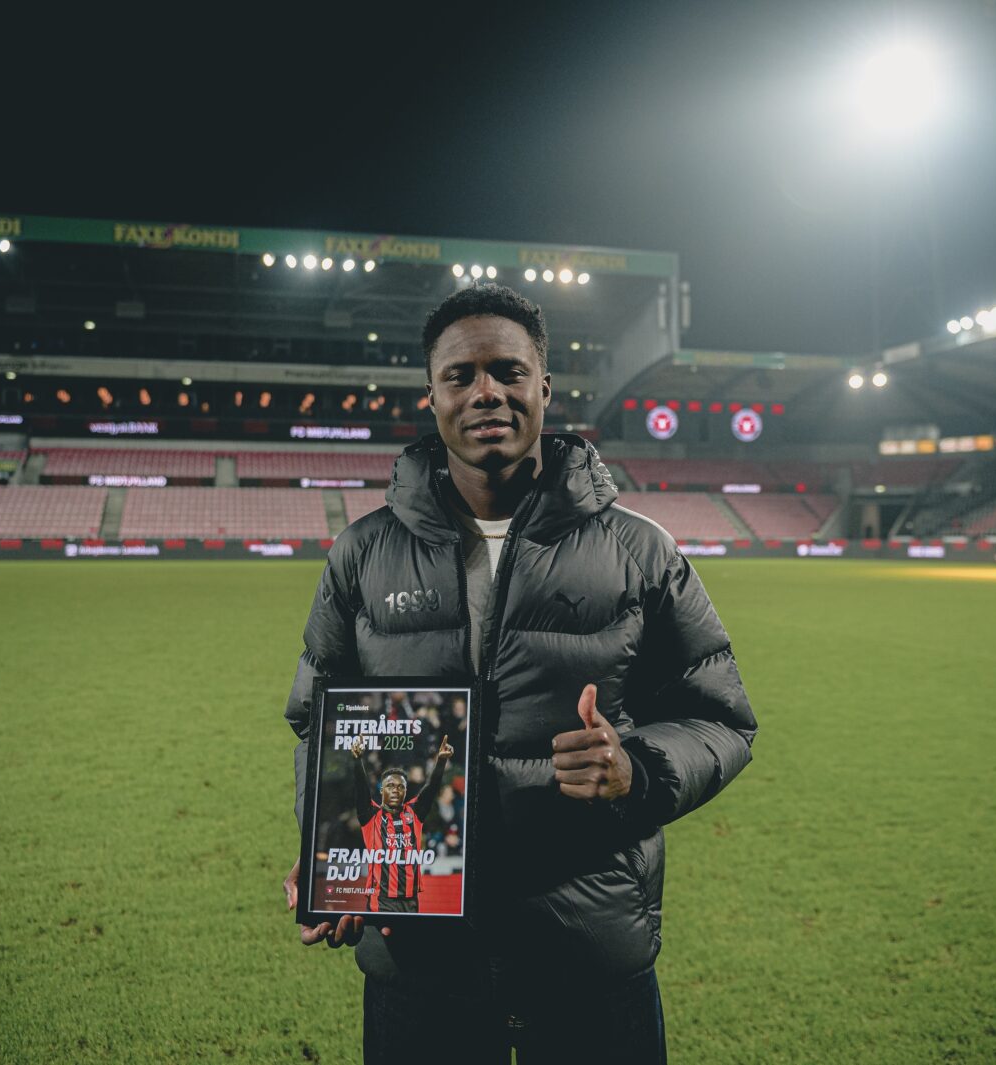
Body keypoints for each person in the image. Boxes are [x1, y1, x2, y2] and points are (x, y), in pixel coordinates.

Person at [283, 283, 757, 1063]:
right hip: (419, 959)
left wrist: (636, 768)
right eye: (460, 376)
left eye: (507, 371)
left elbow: (722, 715)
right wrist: (333, 849)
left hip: (590, 955)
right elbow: (316, 719)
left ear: (544, 386)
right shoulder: (362, 554)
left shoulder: (639, 550)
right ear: (431, 395)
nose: (485, 392)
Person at [351, 734, 453, 914]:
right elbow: (361, 789)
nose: (395, 790)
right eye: (390, 786)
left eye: (401, 787)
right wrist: (358, 760)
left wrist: (441, 761)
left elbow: (430, 789)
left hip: (410, 902)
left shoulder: (414, 812)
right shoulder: (370, 815)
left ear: (406, 791)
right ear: (381, 790)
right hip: (380, 901)